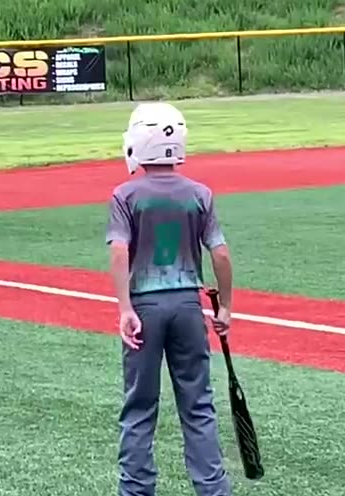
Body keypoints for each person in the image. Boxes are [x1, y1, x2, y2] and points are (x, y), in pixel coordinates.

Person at [105, 101, 234, 496]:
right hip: (188, 307)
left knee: (139, 407)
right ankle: (213, 489)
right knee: (197, 405)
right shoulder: (200, 193)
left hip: (145, 305)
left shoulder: (125, 195)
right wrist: (225, 305)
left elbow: (118, 251)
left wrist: (125, 307)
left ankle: (137, 490)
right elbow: (221, 253)